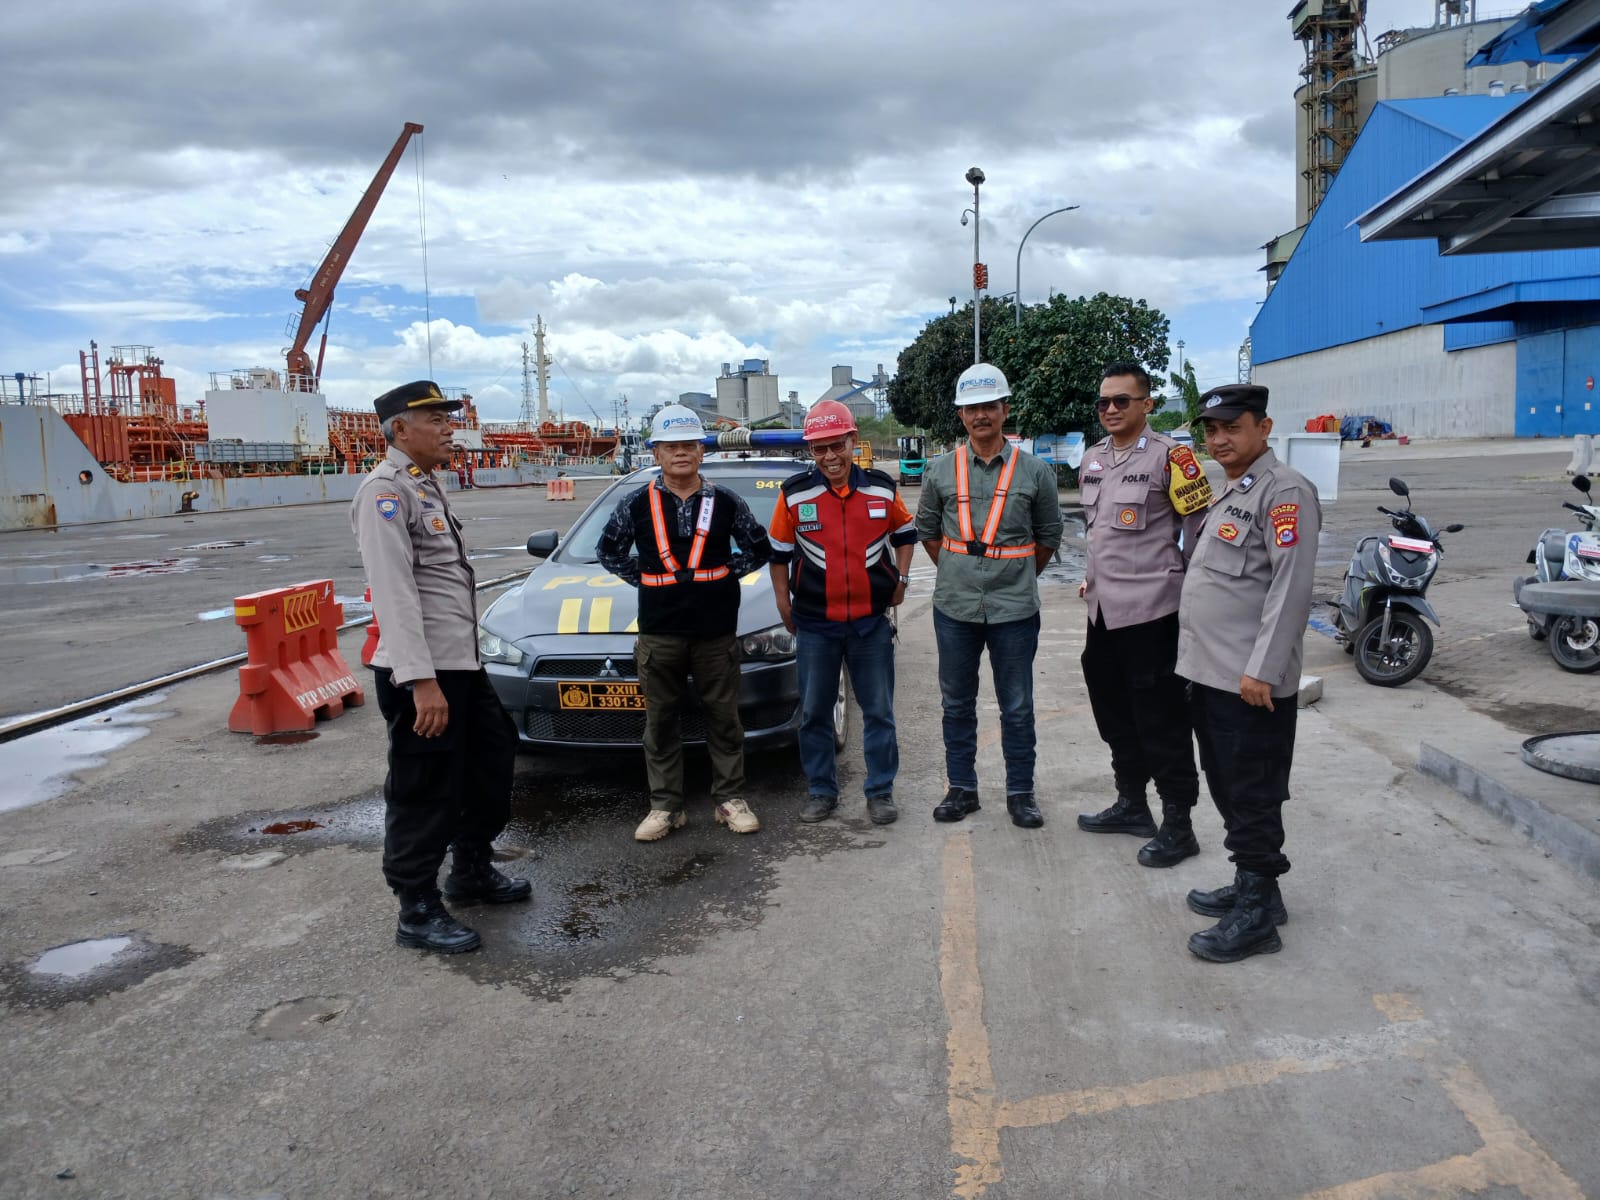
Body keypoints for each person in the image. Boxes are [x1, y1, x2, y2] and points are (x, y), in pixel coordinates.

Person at [351, 380, 531, 957]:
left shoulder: (426, 485)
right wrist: (421, 682)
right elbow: (394, 593)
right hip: (422, 674)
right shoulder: (384, 493)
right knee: (424, 788)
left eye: (447, 417)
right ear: (400, 429)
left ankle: (471, 869)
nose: (448, 427)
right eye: (435, 418)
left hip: (460, 665)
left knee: (490, 766)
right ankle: (417, 908)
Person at [1177, 383, 1321, 963]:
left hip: (1249, 683)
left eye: (1232, 428)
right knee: (1227, 782)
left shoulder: (1285, 492)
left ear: (1263, 428)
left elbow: (1291, 588)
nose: (1219, 440)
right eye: (1212, 430)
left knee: (1254, 790)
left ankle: (1258, 916)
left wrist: (1262, 670)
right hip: (1214, 674)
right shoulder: (1234, 488)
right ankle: (1254, 887)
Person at [596, 404, 771, 842]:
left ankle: (730, 799)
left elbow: (758, 547)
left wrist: (725, 575)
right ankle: (665, 807)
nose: (680, 453)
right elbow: (608, 551)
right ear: (656, 453)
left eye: (689, 445)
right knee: (660, 722)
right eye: (670, 446)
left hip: (716, 631)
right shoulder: (635, 503)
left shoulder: (725, 501)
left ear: (701, 451)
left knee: (724, 718)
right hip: (660, 632)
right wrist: (649, 580)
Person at [1075, 362, 1212, 867]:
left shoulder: (1173, 458)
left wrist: (1194, 599)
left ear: (1147, 404)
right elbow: (1099, 534)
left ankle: (1179, 824)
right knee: (1113, 714)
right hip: (1102, 614)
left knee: (1163, 720)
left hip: (1153, 614)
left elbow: (1199, 534)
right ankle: (1132, 804)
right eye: (1104, 402)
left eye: (1122, 400)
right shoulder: (1092, 458)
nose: (1110, 409)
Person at [915, 363, 1063, 828]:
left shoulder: (1035, 472)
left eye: (989, 406)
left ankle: (1021, 793)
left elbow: (1049, 536)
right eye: (972, 408)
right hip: (954, 608)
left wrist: (1015, 575)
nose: (981, 415)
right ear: (961, 415)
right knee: (956, 704)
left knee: (1017, 707)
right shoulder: (940, 470)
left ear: (1005, 410)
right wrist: (959, 570)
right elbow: (928, 532)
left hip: (1014, 610)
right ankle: (961, 789)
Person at [768, 400, 918, 826]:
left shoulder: (881, 488)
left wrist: (902, 580)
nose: (830, 456)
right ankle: (821, 791)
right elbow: (778, 555)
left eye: (838, 445)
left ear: (853, 441)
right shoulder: (794, 493)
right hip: (816, 625)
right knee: (814, 714)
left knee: (879, 713)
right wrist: (783, 603)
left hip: (870, 625)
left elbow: (906, 534)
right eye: (820, 448)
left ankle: (880, 791)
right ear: (810, 450)